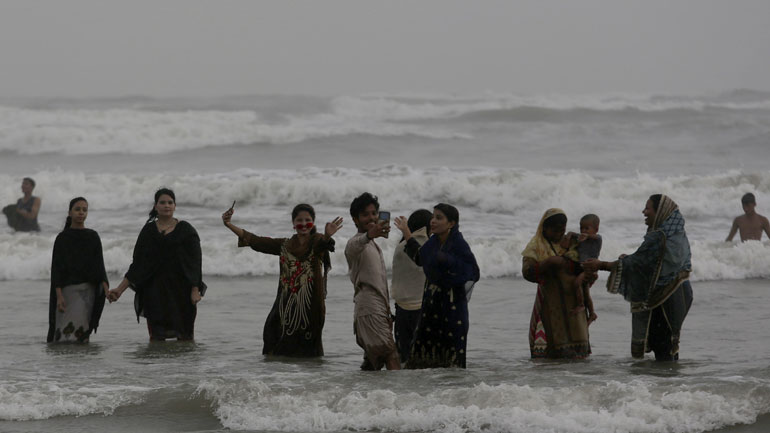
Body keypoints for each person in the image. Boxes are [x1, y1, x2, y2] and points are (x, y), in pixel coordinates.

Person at [222, 203, 343, 357]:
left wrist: (327, 235)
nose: (304, 224)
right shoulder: (284, 245)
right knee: (275, 341)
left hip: (310, 308)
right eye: (299, 220)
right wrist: (228, 224)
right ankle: (282, 380)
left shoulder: (316, 241)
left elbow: (323, 244)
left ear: (313, 222)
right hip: (285, 306)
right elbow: (255, 241)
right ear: (293, 224)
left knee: (308, 354)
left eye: (308, 220)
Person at [585, 194, 694, 361]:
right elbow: (651, 262)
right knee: (671, 348)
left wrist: (602, 265)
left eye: (648, 208)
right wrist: (629, 259)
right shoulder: (676, 234)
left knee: (662, 348)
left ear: (659, 212)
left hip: (664, 300)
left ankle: (665, 385)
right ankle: (673, 385)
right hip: (681, 294)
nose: (644, 212)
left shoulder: (660, 237)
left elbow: (639, 263)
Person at [108, 188, 206, 341]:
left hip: (181, 291)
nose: (166, 205)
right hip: (154, 291)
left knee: (185, 337)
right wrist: (119, 290)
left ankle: (185, 366)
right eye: (162, 202)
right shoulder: (148, 231)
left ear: (175, 206)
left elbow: (195, 263)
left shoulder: (186, 230)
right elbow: (138, 265)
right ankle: (157, 366)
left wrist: (195, 289)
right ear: (155, 206)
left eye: (170, 202)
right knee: (157, 337)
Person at [396, 203, 479, 369]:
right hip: (431, 310)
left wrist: (448, 261)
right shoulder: (433, 243)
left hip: (452, 310)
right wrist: (406, 233)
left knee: (451, 363)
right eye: (433, 217)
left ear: (451, 223)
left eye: (439, 218)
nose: (433, 221)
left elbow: (472, 272)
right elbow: (420, 258)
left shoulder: (459, 244)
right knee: (423, 361)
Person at [522, 209, 591, 359]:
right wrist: (548, 263)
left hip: (573, 300)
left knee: (579, 353)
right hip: (549, 303)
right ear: (545, 228)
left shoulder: (572, 242)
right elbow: (527, 273)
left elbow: (587, 264)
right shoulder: (535, 246)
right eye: (555, 230)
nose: (560, 234)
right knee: (548, 354)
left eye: (562, 229)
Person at [345, 192, 400, 370]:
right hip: (368, 307)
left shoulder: (373, 245)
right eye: (365, 214)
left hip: (377, 308)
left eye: (374, 213)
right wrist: (369, 235)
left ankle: (365, 396)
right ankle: (401, 395)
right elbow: (353, 247)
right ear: (355, 219)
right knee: (390, 354)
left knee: (373, 362)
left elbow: (381, 283)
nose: (372, 217)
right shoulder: (356, 243)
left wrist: (387, 313)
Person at [47, 197, 109, 343]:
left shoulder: (93, 236)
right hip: (67, 293)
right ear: (70, 212)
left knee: (82, 336)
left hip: (87, 293)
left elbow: (100, 267)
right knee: (63, 335)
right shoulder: (62, 238)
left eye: (84, 210)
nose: (81, 213)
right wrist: (59, 296)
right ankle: (65, 365)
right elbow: (57, 269)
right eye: (77, 209)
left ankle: (82, 365)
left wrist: (106, 290)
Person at [390, 209, 432, 363]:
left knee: (404, 356)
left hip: (402, 310)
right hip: (422, 311)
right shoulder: (428, 246)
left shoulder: (401, 247)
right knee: (421, 357)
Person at [560, 214, 601, 324]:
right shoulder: (582, 238)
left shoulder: (597, 239)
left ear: (596, 229)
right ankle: (592, 313)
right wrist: (569, 234)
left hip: (590, 269)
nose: (583, 231)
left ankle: (581, 305)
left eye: (587, 228)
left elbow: (595, 237)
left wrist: (587, 236)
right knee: (586, 292)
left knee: (577, 283)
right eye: (581, 228)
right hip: (583, 269)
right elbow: (574, 235)